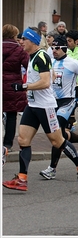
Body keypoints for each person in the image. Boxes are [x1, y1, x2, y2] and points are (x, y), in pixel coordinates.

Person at [2, 27, 78, 192]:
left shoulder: (41, 56)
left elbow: (45, 82)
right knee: (23, 140)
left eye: (24, 40)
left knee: (58, 141)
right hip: (33, 105)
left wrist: (23, 86)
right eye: (20, 39)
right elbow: (50, 76)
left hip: (45, 106)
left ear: (33, 41)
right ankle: (22, 179)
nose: (21, 42)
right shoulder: (33, 56)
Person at [39, 36, 78, 180]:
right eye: (52, 48)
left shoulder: (73, 63)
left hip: (68, 102)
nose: (54, 51)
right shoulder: (50, 62)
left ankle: (52, 169)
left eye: (57, 48)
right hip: (52, 102)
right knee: (60, 135)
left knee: (57, 132)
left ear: (64, 48)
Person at [2, 24, 30, 154]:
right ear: (14, 35)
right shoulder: (19, 50)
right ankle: (8, 144)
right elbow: (29, 66)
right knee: (12, 115)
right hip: (13, 86)